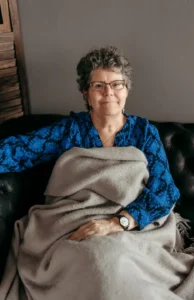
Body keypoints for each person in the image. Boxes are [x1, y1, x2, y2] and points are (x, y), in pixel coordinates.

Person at [0, 46, 180, 241]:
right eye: (98, 85)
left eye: (117, 84)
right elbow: (19, 150)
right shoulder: (71, 129)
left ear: (127, 90)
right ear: (86, 93)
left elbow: (165, 190)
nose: (109, 92)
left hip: (130, 225)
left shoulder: (144, 133)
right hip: (78, 222)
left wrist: (117, 223)